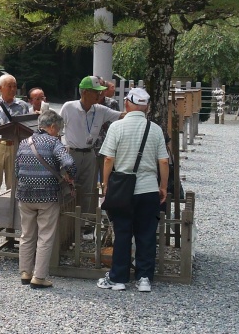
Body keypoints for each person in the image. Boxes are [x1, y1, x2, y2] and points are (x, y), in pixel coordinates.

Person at [97, 87, 169, 293]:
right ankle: (144, 278)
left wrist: (105, 183)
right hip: (148, 188)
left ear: (127, 104)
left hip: (123, 189)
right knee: (146, 234)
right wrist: (163, 186)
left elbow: (108, 158)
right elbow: (163, 161)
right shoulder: (155, 129)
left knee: (122, 233)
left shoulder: (117, 127)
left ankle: (118, 278)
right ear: (146, 107)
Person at [15, 109, 76, 289]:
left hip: (25, 194)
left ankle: (25, 273)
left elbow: (17, 169)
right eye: (59, 129)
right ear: (52, 127)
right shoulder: (54, 142)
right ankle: (39, 277)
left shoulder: (24, 142)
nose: (59, 133)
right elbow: (69, 162)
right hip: (47, 195)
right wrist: (71, 176)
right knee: (45, 237)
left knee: (26, 234)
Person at [59, 76, 124, 233]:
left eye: (100, 92)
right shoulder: (69, 107)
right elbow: (57, 127)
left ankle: (83, 225)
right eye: (96, 92)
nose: (100, 95)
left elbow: (121, 115)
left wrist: (137, 112)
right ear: (85, 92)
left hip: (90, 154)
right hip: (71, 153)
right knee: (68, 188)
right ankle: (67, 225)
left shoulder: (100, 110)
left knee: (87, 190)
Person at [0, 74, 31, 228]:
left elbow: (27, 128)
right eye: (9, 86)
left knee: (13, 182)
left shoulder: (23, 106)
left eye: (14, 86)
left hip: (15, 146)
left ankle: (12, 214)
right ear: (0, 88)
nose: (12, 89)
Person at [94, 78, 120, 184]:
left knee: (107, 181)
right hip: (91, 149)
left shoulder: (112, 103)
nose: (99, 92)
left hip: (108, 148)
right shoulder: (89, 103)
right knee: (92, 183)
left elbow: (118, 124)